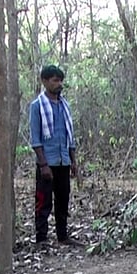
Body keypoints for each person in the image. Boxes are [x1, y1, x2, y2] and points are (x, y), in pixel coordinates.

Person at [30, 65, 82, 247]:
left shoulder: (64, 105)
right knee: (43, 201)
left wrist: (73, 161)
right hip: (47, 162)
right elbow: (35, 139)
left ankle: (62, 236)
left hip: (63, 160)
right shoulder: (37, 106)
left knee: (63, 200)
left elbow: (70, 136)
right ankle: (41, 238)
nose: (58, 84)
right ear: (45, 82)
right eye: (54, 80)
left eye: (60, 80)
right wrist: (43, 165)